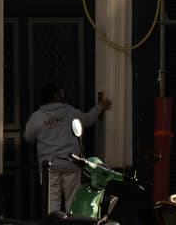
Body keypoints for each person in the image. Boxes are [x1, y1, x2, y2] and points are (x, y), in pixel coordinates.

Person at [23, 83, 112, 215]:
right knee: (73, 201)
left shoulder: (37, 117)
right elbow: (88, 119)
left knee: (51, 204)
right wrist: (100, 107)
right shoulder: (70, 112)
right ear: (55, 95)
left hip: (50, 167)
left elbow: (28, 137)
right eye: (60, 92)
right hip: (72, 163)